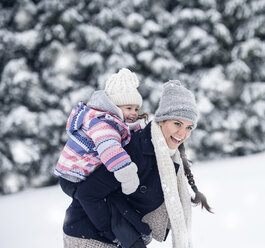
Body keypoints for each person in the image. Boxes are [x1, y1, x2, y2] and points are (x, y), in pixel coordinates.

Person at [61, 80, 212, 248]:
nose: (182, 133)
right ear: (161, 120)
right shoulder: (135, 150)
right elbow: (87, 193)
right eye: (177, 123)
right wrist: (113, 236)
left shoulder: (168, 155)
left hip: (120, 236)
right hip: (90, 236)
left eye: (189, 127)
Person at [55, 68, 148, 243]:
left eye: (136, 108)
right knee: (92, 198)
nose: (134, 112)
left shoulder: (107, 119)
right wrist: (128, 175)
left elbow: (122, 136)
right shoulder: (103, 123)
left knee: (100, 195)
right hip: (72, 177)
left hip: (77, 171)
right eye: (129, 108)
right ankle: (109, 233)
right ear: (114, 106)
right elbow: (110, 149)